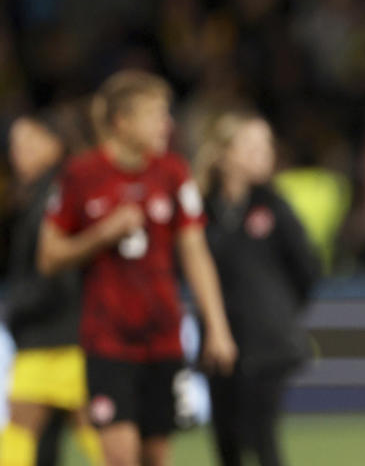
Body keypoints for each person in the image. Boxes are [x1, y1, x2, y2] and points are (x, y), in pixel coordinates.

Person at [37, 70, 237, 466]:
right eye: (155, 115)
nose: (167, 124)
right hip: (108, 341)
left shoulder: (173, 172)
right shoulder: (80, 175)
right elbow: (48, 257)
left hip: (163, 338)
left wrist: (217, 326)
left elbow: (195, 252)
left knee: (155, 456)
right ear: (121, 122)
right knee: (120, 457)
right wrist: (101, 235)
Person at [194, 111, 319, 466]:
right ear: (224, 153)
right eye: (251, 145)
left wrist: (276, 311)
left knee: (262, 439)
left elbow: (308, 269)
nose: (263, 153)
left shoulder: (275, 206)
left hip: (268, 344)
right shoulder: (201, 209)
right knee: (225, 440)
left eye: (266, 144)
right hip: (217, 340)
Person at [1, 110, 103, 466]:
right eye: (15, 145)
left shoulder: (55, 195)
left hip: (62, 337)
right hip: (53, 335)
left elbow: (59, 273)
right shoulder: (40, 194)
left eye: (29, 142)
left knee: (95, 436)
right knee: (30, 434)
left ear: (55, 145)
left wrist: (16, 308)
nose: (19, 153)